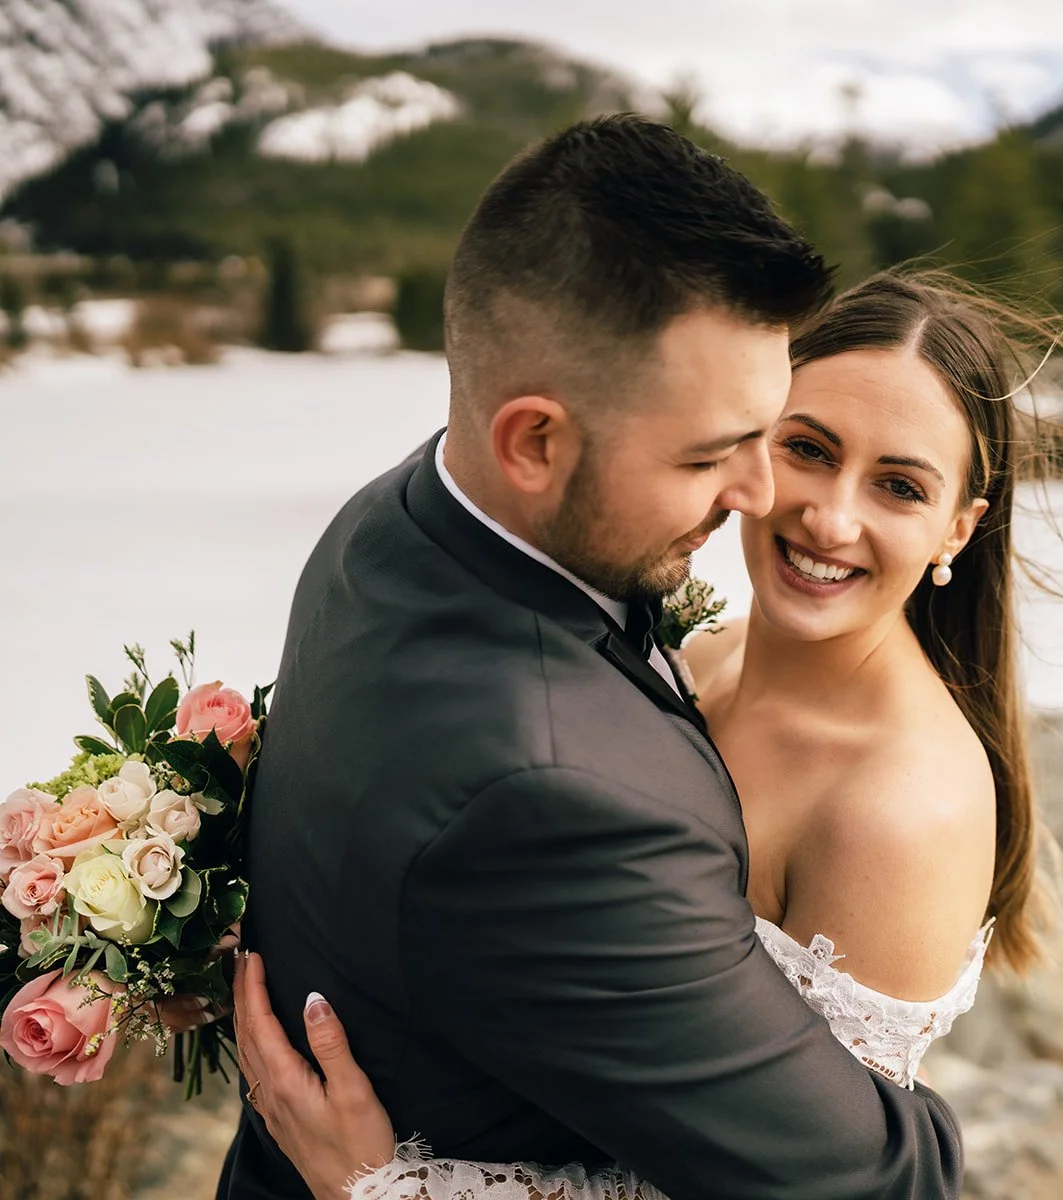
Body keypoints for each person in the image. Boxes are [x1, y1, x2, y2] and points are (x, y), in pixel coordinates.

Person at [214, 116, 971, 1200]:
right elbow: (882, 1186)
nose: (762, 496)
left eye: (772, 432)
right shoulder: (554, 794)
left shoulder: (397, 519)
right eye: (712, 454)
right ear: (533, 441)